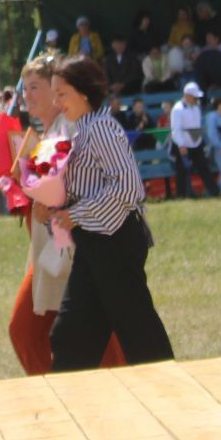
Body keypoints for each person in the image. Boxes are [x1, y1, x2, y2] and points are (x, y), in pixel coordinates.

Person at [47, 58, 174, 371]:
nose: (56, 102)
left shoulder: (102, 128)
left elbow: (128, 188)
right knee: (71, 335)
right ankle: (69, 399)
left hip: (116, 241)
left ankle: (171, 390)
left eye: (61, 93)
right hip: (93, 242)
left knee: (139, 334)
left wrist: (75, 214)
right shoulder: (77, 130)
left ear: (84, 93)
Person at [6, 52, 124, 378]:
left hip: (77, 246)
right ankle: (60, 393)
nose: (27, 96)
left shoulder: (71, 130)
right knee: (31, 331)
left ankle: (124, 391)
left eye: (35, 88)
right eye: (25, 88)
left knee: (38, 330)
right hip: (50, 252)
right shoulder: (44, 135)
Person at [167, 84, 219, 198]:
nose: (196, 99)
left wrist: (198, 140)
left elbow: (197, 125)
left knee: (203, 167)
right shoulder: (177, 109)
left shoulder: (196, 108)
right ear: (187, 96)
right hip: (182, 145)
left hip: (196, 142)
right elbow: (176, 129)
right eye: (194, 97)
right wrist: (181, 145)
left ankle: (215, 192)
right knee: (182, 171)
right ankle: (182, 196)